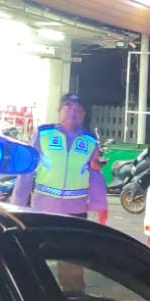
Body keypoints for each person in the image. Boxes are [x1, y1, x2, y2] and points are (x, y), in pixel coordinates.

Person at [12, 93, 108, 224]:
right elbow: (26, 172)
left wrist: (100, 205)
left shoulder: (90, 140)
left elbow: (94, 173)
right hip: (43, 209)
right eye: (68, 106)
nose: (72, 112)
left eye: (77, 108)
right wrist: (18, 206)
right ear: (59, 110)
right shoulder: (43, 134)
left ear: (83, 114)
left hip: (76, 212)